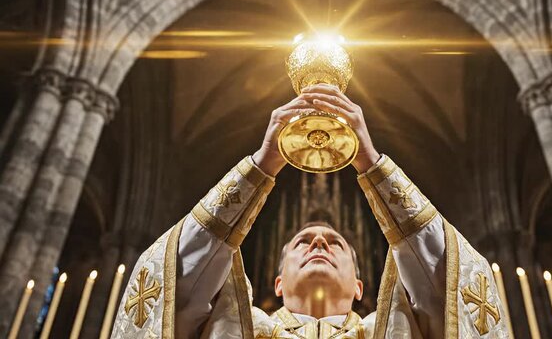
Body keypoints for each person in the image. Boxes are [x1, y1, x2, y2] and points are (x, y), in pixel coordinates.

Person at [111, 84, 509, 338]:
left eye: (336, 241)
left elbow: (452, 282)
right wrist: (260, 166)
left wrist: (372, 163)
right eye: (302, 240)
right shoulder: (236, 326)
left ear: (359, 288)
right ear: (278, 283)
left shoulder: (394, 329)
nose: (319, 240)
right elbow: (171, 283)